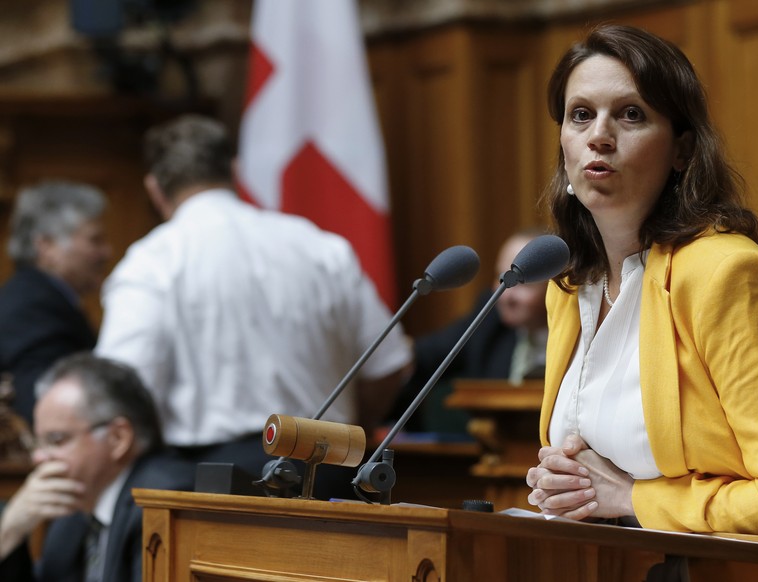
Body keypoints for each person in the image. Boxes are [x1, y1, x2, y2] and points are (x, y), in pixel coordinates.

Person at [524, 24, 758, 580]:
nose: (599, 136)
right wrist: (561, 485)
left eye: (631, 114)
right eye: (580, 115)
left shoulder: (726, 274)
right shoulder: (570, 286)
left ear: (682, 149)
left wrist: (632, 498)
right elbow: (596, 472)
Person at [95, 114, 413, 494]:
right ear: (234, 170)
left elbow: (121, 393)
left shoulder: (152, 263)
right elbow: (389, 364)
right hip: (332, 475)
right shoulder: (321, 248)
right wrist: (346, 429)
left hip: (214, 482)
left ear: (154, 189)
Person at [0, 353, 193, 582]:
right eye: (37, 442)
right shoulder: (72, 510)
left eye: (56, 440)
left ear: (117, 438)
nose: (39, 458)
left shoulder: (166, 502)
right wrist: (10, 530)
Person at [390, 229, 549, 432]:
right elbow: (426, 355)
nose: (505, 295)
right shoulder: (490, 316)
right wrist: (385, 355)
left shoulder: (580, 332)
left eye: (521, 284)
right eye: (501, 278)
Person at [0, 181, 111, 427]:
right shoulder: (33, 306)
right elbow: (41, 404)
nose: (107, 252)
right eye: (95, 240)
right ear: (46, 246)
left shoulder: (43, 297)